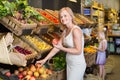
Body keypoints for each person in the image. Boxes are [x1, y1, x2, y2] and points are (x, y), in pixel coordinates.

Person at [36, 7, 86, 80]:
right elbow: (57, 47)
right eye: (61, 17)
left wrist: (62, 48)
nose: (63, 18)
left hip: (77, 64)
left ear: (71, 16)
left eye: (65, 15)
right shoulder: (65, 31)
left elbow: (78, 51)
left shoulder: (75, 30)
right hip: (70, 63)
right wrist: (45, 59)